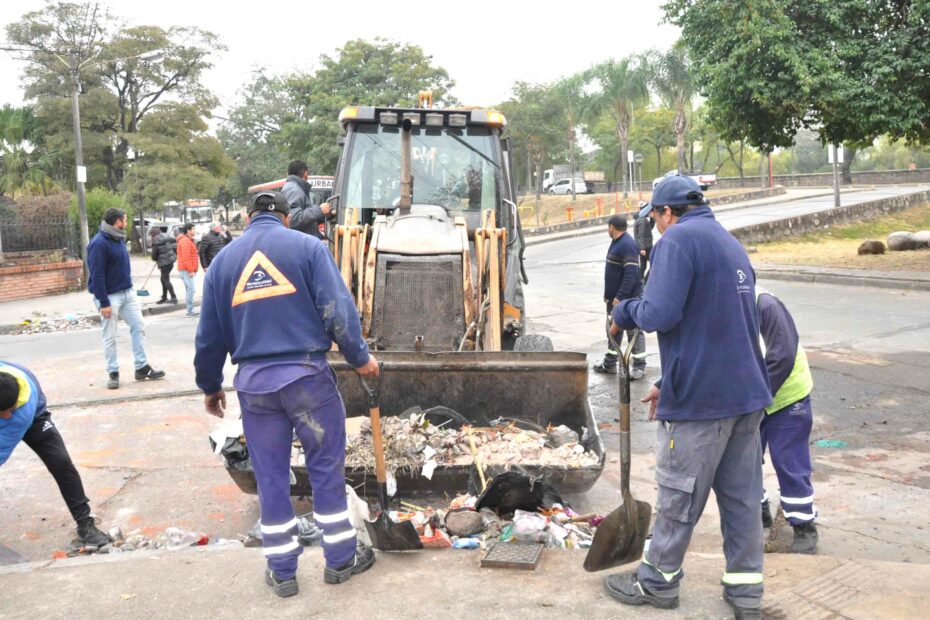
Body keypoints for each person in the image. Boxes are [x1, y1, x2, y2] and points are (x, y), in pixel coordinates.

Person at [193, 191, 380, 598]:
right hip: (307, 380)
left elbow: (208, 336)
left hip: (255, 388)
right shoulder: (308, 248)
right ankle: (340, 560)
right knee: (325, 467)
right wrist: (359, 357)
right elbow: (337, 309)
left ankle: (282, 573)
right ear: (286, 217)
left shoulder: (223, 263)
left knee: (271, 476)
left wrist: (210, 386)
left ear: (247, 219)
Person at [607, 175, 772, 619]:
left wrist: (624, 311)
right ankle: (746, 595)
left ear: (668, 211)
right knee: (742, 502)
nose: (656, 226)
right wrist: (668, 381)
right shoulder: (730, 244)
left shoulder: (678, 241)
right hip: (746, 397)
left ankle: (657, 583)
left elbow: (660, 313)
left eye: (656, 218)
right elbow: (716, 323)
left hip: (703, 403)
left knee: (678, 496)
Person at [1, 361, 111, 547]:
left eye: (8, 410)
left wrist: (6, 412)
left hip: (35, 418)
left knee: (61, 463)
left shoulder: (18, 415)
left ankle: (85, 524)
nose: (6, 415)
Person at [756, 288, 818, 554]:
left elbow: (782, 356)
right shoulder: (717, 303)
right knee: (743, 460)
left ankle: (804, 526)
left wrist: (756, 398)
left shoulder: (765, 305)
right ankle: (758, 510)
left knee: (790, 461)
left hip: (787, 398)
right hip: (750, 398)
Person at [87, 208, 166, 390]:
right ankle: (113, 372)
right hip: (109, 296)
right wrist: (104, 303)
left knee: (138, 327)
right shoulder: (98, 244)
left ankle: (141, 367)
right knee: (110, 335)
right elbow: (97, 275)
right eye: (125, 220)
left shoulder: (118, 238)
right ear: (118, 222)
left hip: (127, 292)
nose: (127, 222)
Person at [593, 214, 646, 379]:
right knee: (612, 330)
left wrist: (620, 297)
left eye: (608, 227)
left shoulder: (627, 245)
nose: (607, 230)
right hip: (614, 298)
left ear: (612, 227)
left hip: (628, 298)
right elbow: (613, 272)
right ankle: (610, 363)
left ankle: (639, 366)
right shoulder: (617, 242)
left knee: (633, 330)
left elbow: (631, 274)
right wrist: (608, 295)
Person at [282, 160, 331, 238]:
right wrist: (319, 210)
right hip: (300, 242)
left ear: (287, 174)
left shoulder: (296, 189)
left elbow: (306, 222)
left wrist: (327, 214)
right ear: (306, 174)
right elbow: (293, 220)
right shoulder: (294, 190)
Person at [176, 223, 200, 318]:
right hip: (187, 270)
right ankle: (190, 311)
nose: (195, 231)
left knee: (189, 290)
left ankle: (190, 310)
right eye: (193, 229)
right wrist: (191, 270)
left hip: (186, 269)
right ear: (188, 231)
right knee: (191, 290)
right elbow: (186, 257)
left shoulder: (188, 240)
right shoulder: (185, 241)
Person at [150, 227, 178, 305]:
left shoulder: (156, 241)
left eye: (151, 235)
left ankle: (174, 297)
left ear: (153, 234)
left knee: (165, 279)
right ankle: (164, 297)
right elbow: (174, 246)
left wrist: (156, 258)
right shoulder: (165, 236)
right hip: (171, 261)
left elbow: (153, 256)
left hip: (164, 263)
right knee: (163, 279)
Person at [634, 204, 656, 280]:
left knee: (643, 266)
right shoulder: (642, 220)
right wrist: (642, 248)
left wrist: (652, 218)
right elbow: (641, 235)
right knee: (654, 263)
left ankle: (640, 280)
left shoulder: (642, 219)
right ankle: (645, 280)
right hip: (646, 246)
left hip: (644, 246)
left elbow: (650, 228)